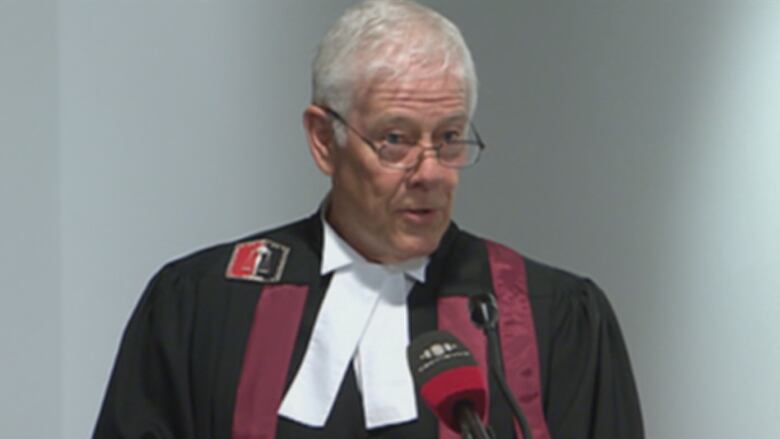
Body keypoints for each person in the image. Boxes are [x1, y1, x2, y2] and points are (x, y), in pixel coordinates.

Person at [93, 1, 644, 438]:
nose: (430, 172)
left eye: (450, 137)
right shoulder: (204, 304)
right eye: (395, 140)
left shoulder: (551, 318)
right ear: (322, 140)